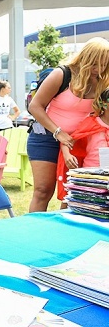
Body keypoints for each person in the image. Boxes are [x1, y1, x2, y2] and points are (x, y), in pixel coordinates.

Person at [28, 37, 109, 212]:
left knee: (74, 192)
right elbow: (35, 106)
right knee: (43, 190)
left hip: (78, 142)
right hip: (47, 137)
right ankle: (34, 234)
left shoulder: (103, 80)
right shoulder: (62, 74)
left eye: (104, 65)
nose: (99, 69)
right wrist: (58, 132)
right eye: (95, 64)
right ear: (85, 59)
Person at [56, 87, 109, 203]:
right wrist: (67, 156)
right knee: (75, 204)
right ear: (104, 104)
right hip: (90, 176)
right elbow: (67, 142)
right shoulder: (91, 123)